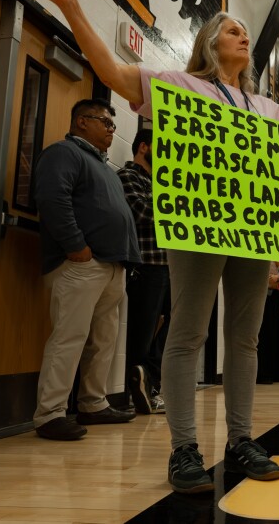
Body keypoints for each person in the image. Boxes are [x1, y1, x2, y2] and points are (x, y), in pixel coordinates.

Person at [23, 0, 279, 491]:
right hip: (197, 229)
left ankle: (242, 439)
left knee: (244, 340)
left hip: (251, 232)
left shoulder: (266, 106)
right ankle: (183, 448)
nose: (243, 35)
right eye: (233, 29)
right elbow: (112, 71)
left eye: (246, 31)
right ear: (210, 42)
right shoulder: (177, 85)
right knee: (186, 336)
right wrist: (68, 3)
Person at [31, 98, 141, 441]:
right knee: (69, 337)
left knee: (104, 339)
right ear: (82, 122)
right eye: (106, 123)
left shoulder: (104, 167)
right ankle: (49, 414)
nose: (112, 130)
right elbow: (52, 198)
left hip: (111, 265)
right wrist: (76, 246)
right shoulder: (64, 153)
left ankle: (92, 403)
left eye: (113, 125)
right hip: (81, 264)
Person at [119, 129, 168, 415]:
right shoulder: (128, 177)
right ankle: (136, 391)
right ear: (143, 147)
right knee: (143, 330)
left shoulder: (159, 181)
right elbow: (142, 214)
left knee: (164, 331)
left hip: (168, 265)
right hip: (147, 265)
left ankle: (152, 386)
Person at [256, 263, 279, 385]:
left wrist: (278, 277)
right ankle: (264, 373)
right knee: (267, 334)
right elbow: (268, 280)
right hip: (268, 295)